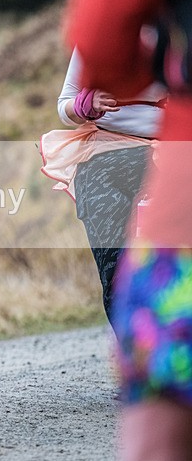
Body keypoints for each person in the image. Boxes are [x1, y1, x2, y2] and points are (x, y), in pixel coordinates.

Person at [66, 0, 192, 458]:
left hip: (176, 167)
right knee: (111, 257)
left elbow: (101, 41)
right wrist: (87, 104)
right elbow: (72, 95)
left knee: (161, 422)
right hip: (109, 153)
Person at [44, 48, 165, 326]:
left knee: (166, 267)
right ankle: (132, 347)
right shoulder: (100, 38)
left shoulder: (177, 30)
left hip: (169, 156)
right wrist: (83, 105)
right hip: (103, 158)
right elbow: (64, 107)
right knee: (116, 273)